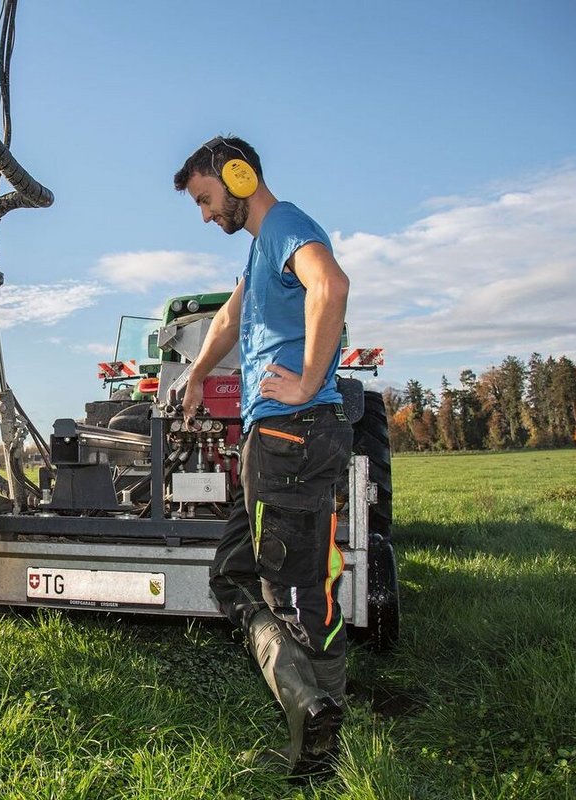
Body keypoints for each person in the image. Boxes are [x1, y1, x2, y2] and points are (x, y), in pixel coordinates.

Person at [173, 135, 353, 775]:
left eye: (204, 197)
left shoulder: (283, 225)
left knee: (295, 593)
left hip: (292, 431)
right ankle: (314, 704)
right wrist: (196, 374)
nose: (204, 213)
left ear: (238, 175)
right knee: (234, 572)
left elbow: (329, 286)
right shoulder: (261, 249)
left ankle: (316, 741)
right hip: (271, 441)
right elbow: (228, 318)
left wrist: (306, 379)